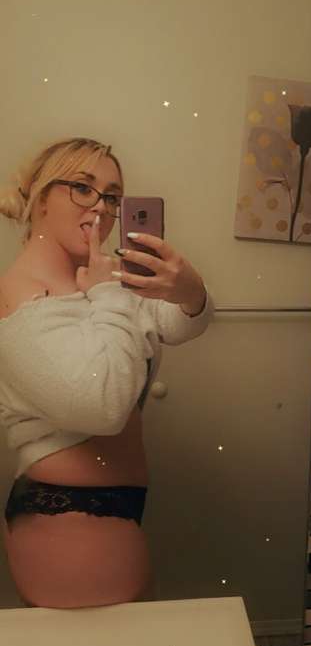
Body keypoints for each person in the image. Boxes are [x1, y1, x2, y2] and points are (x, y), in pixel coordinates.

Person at [0, 137, 214, 608]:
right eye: (83, 187)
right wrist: (109, 296)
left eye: (113, 196)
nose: (101, 206)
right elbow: (104, 408)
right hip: (65, 518)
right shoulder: (19, 298)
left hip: (107, 514)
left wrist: (190, 290)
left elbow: (178, 324)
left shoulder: (103, 280)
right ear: (40, 196)